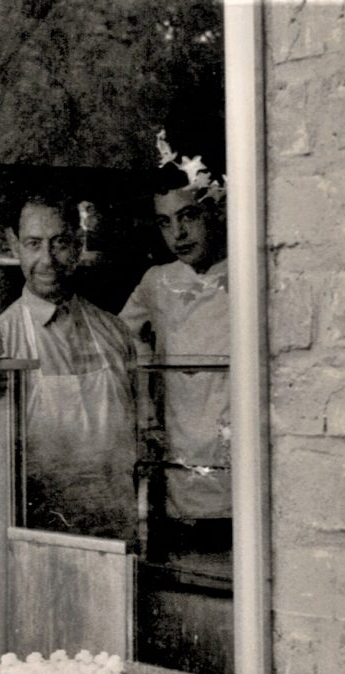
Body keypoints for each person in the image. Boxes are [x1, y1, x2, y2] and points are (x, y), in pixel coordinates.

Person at [0, 192, 137, 541]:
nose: (47, 259)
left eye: (59, 242)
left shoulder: (114, 332)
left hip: (117, 530)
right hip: (41, 534)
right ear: (14, 245)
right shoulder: (0, 340)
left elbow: (143, 435)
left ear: (78, 244)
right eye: (33, 243)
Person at [120, 159, 230, 546]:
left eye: (188, 217)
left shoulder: (247, 273)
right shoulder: (159, 282)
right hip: (180, 469)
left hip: (234, 464)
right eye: (166, 222)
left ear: (216, 211)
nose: (178, 234)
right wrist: (148, 387)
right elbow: (120, 337)